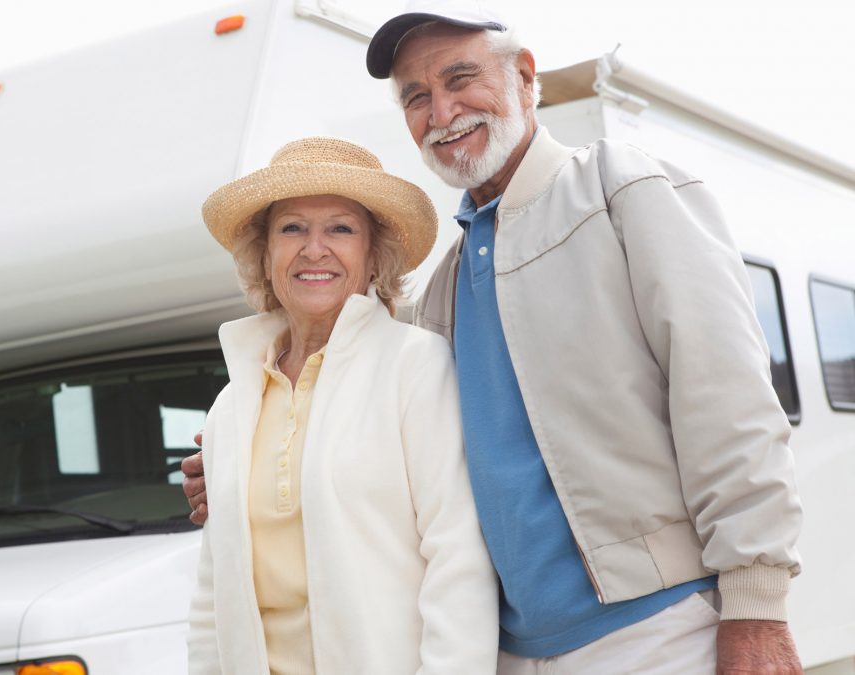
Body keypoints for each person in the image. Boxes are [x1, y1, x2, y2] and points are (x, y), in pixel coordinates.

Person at [185, 2, 804, 673]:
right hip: (510, 651)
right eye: (416, 96)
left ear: (526, 78)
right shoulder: (441, 289)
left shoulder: (621, 190)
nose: (442, 111)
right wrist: (241, 467)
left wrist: (755, 599)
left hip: (653, 630)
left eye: (460, 79)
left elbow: (728, 395)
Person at [187, 136, 499, 674]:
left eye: (340, 228)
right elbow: (211, 596)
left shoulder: (415, 365)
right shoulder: (231, 403)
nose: (314, 249)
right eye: (292, 228)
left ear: (375, 254)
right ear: (264, 255)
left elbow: (459, 560)